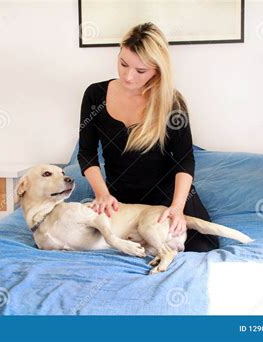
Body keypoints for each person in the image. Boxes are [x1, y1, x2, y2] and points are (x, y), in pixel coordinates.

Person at [77, 22, 218, 252]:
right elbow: (86, 153)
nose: (128, 76)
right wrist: (102, 194)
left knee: (201, 248)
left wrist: (177, 207)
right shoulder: (95, 95)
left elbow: (185, 160)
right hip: (121, 202)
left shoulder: (172, 103)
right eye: (123, 64)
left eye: (140, 71)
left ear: (157, 71)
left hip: (166, 198)